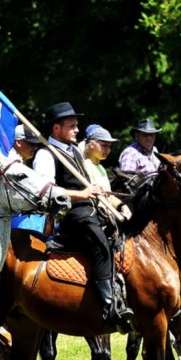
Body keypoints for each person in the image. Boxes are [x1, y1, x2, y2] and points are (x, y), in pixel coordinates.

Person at [33, 102, 132, 331]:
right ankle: (108, 307)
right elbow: (46, 191)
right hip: (70, 215)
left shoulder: (75, 151)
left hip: (91, 208)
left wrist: (116, 202)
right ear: (57, 129)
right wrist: (82, 194)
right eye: (72, 126)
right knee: (98, 241)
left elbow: (91, 186)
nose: (78, 130)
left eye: (77, 126)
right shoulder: (45, 154)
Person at [80, 125, 131, 220]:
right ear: (91, 144)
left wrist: (122, 206)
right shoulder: (84, 165)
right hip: (92, 216)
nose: (108, 150)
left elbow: (109, 196)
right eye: (104, 145)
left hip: (105, 216)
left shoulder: (101, 168)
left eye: (109, 146)